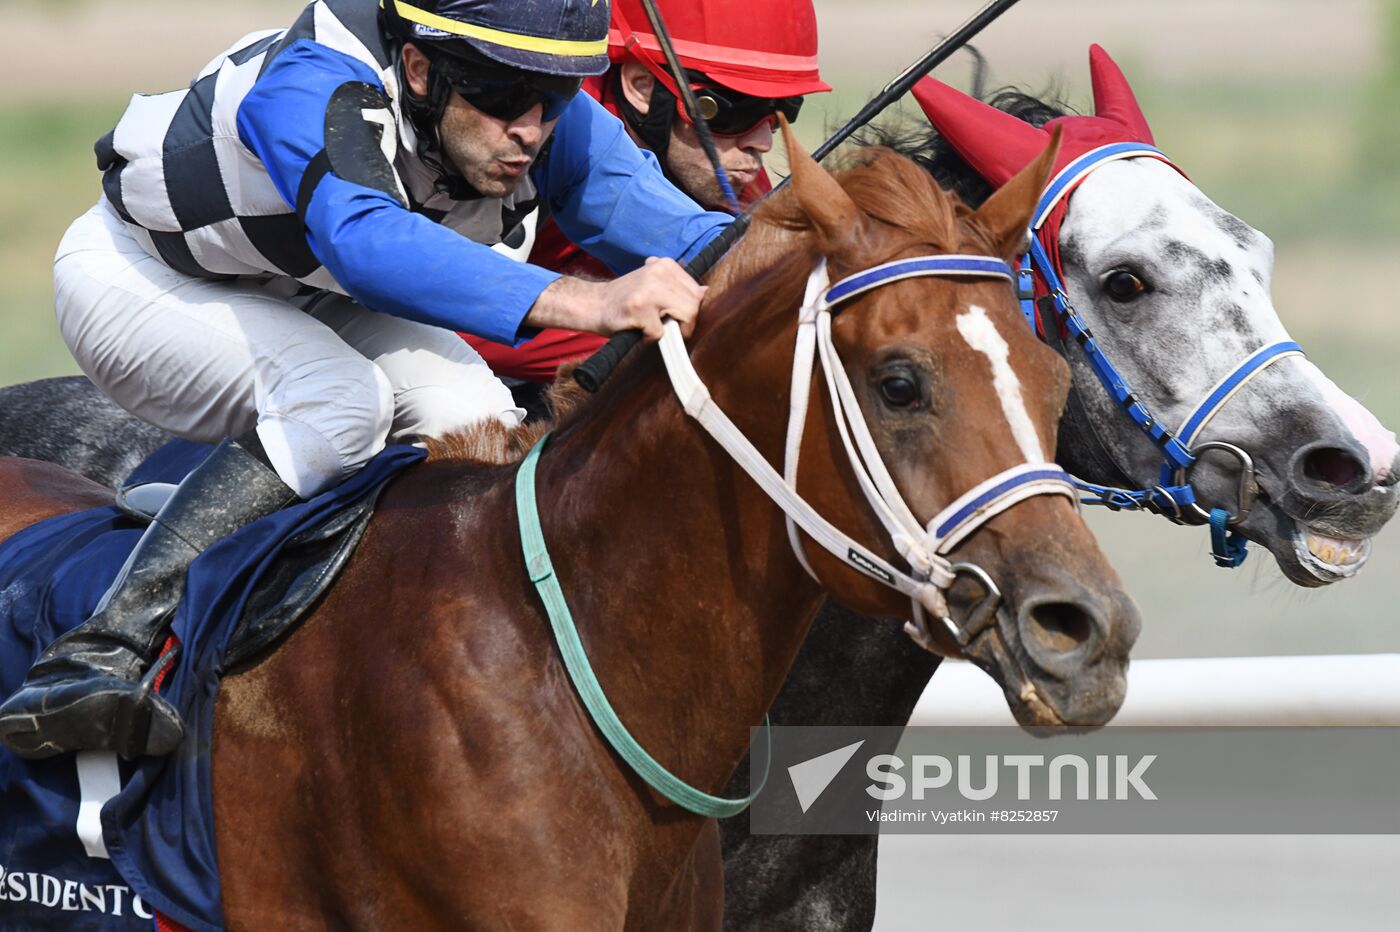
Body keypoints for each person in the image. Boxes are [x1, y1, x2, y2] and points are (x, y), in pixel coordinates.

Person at [0, 0, 731, 761]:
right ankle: (102, 648)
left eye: (553, 98)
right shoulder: (315, 75)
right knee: (341, 401)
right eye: (504, 96)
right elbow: (365, 243)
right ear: (419, 68)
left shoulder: (543, 118)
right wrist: (592, 301)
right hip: (141, 279)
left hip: (311, 293)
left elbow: (699, 237)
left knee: (477, 424)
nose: (531, 129)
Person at [464, 0, 830, 381]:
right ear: (642, 87)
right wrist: (631, 322)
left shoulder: (733, 163)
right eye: (733, 110)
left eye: (781, 112)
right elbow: (456, 322)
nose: (762, 142)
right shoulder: (537, 131)